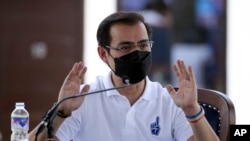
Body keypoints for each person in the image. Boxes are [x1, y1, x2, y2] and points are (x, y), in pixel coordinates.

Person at [29, 11, 219, 141]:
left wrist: (192, 109)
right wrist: (61, 113)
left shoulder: (169, 101)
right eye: (126, 47)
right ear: (104, 54)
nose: (137, 53)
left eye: (143, 45)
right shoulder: (83, 99)